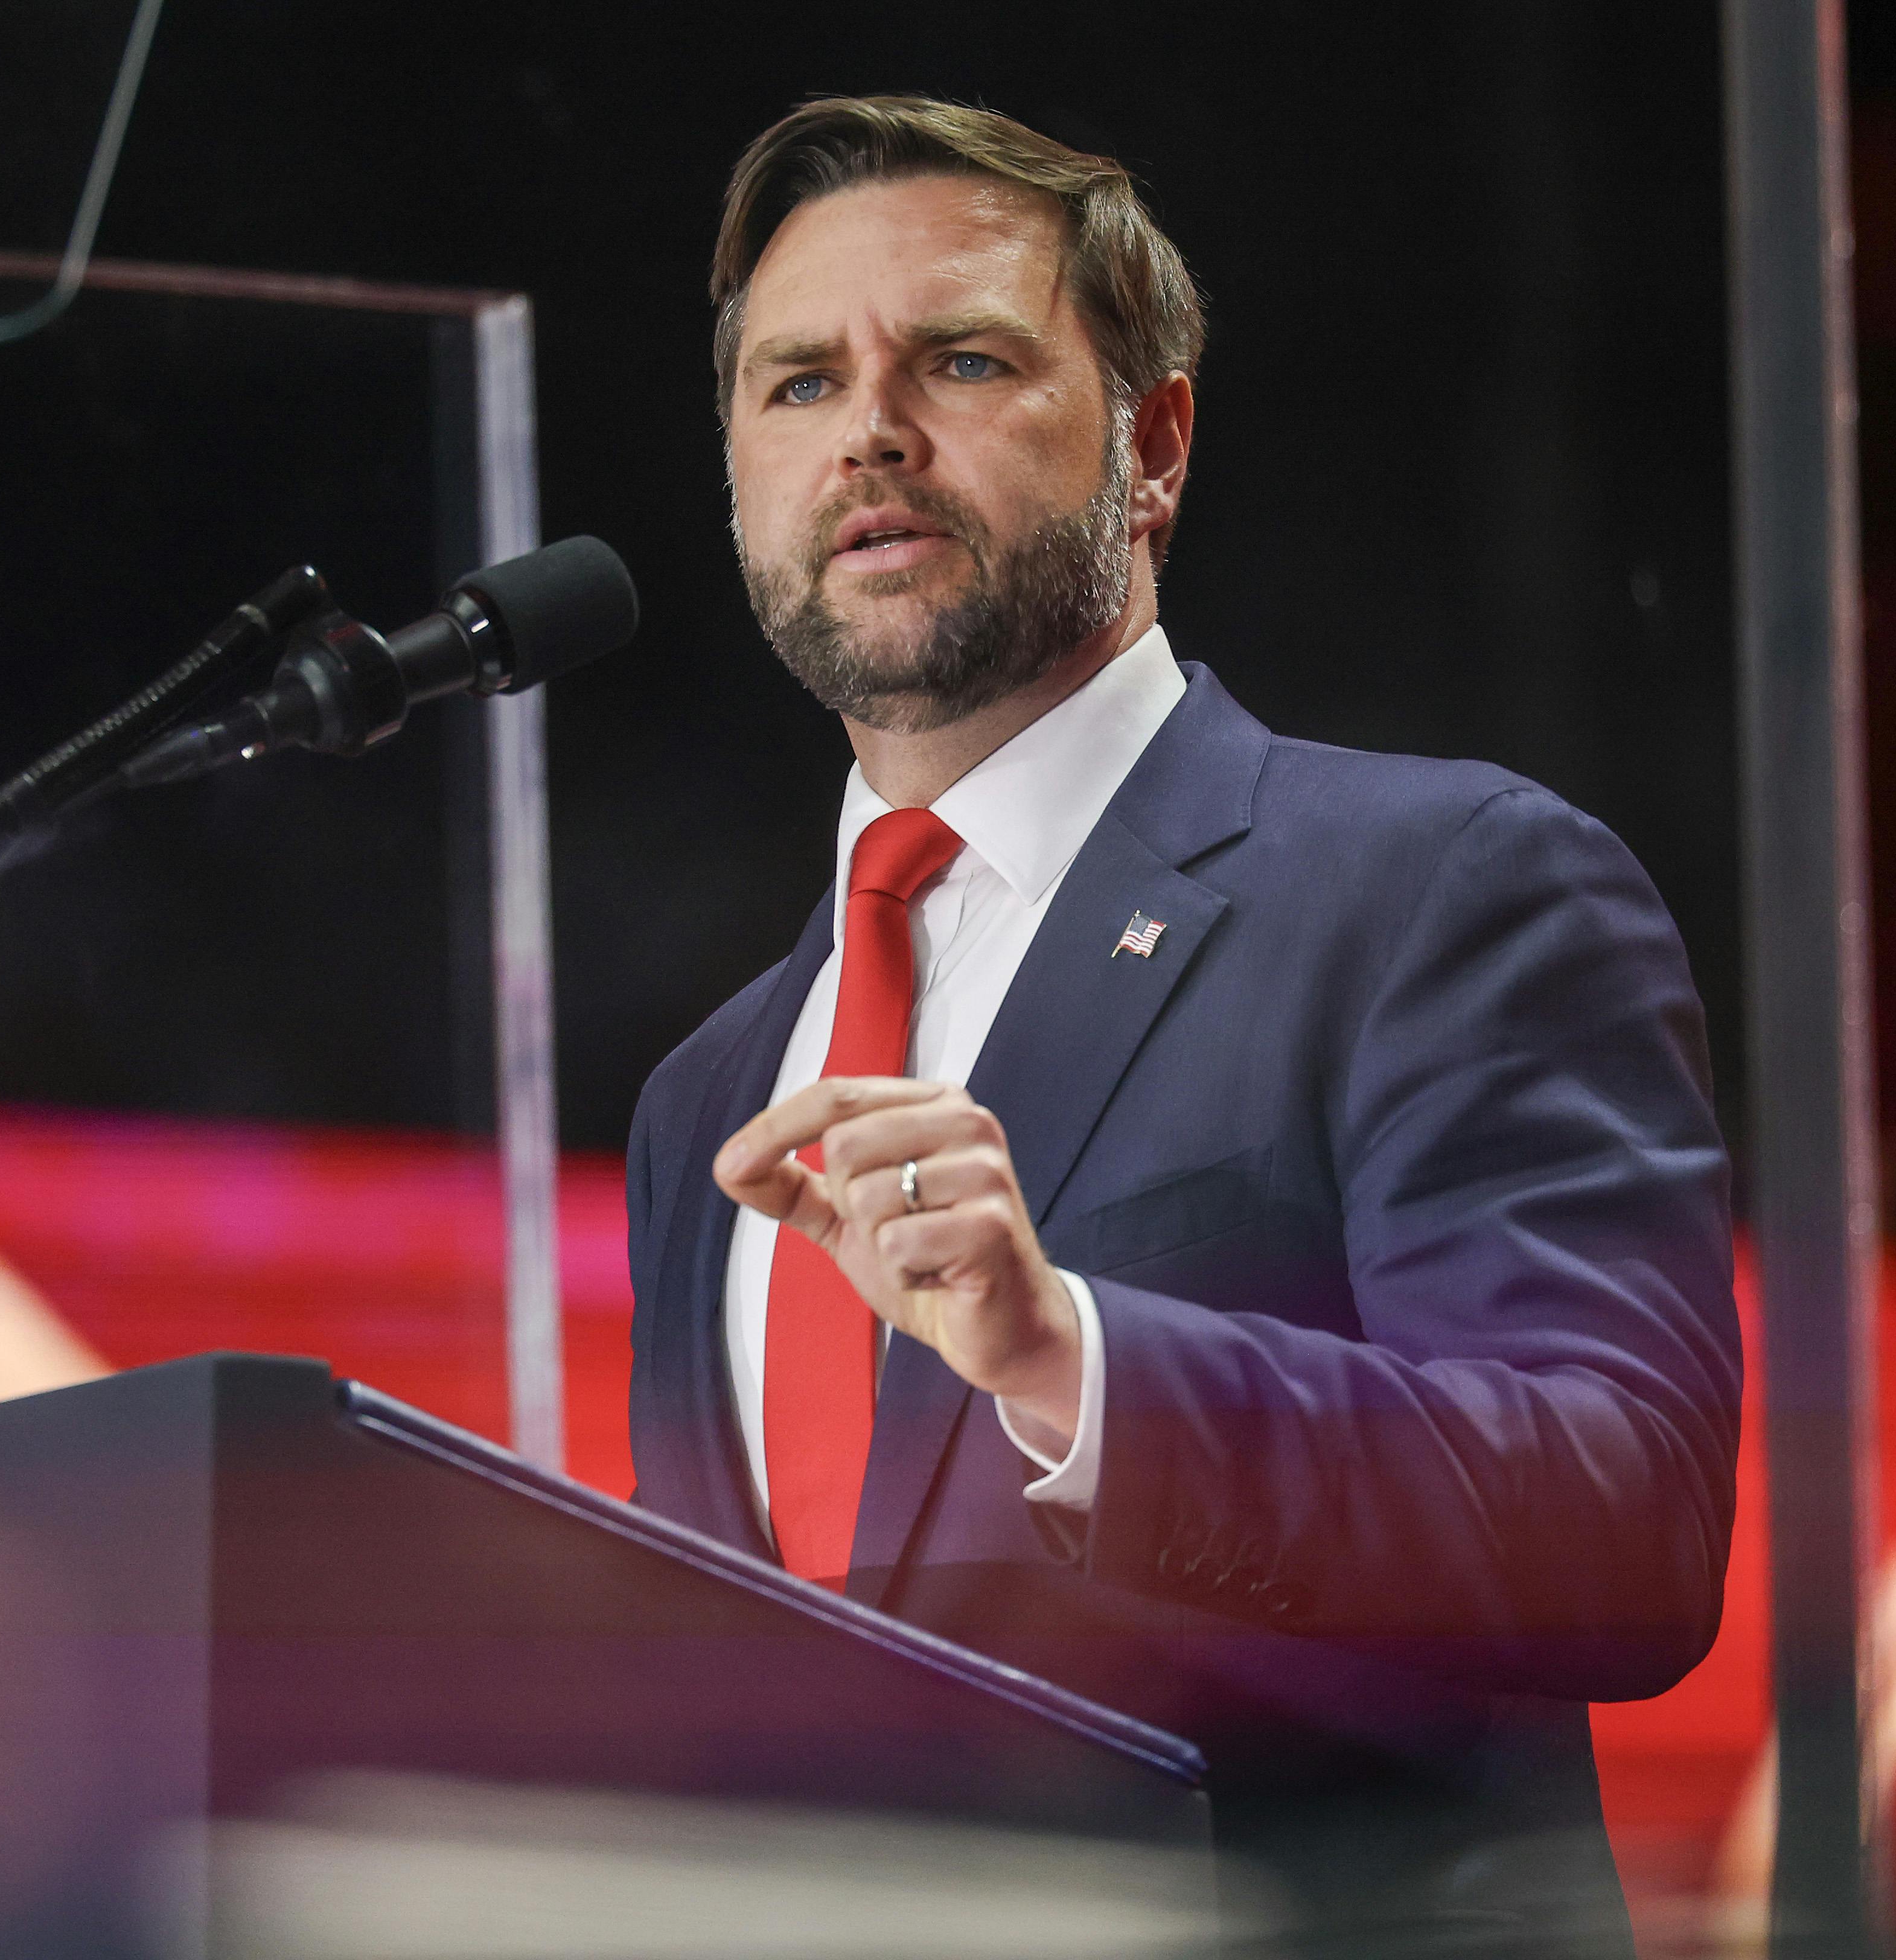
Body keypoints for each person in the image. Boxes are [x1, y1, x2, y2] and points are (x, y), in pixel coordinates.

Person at [621, 95, 1743, 1953]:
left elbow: (1624, 1523)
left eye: (962, 361)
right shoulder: (708, 1099)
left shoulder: (1440, 888)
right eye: (797, 385)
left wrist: (1075, 1363)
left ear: (1154, 447)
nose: (872, 434)